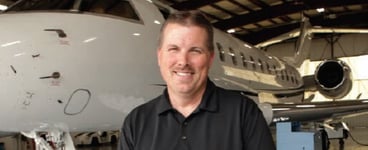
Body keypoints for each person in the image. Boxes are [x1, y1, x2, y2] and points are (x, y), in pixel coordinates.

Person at [120, 10, 276, 150]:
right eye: (173, 49)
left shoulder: (243, 113)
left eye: (195, 51)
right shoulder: (136, 122)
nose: (183, 61)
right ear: (160, 56)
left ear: (210, 58)